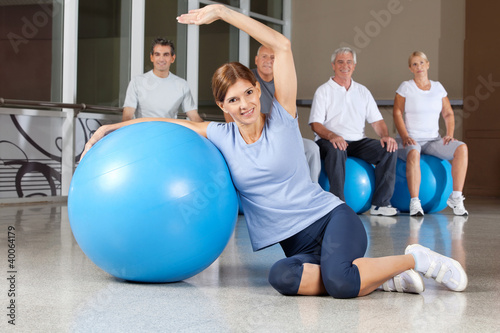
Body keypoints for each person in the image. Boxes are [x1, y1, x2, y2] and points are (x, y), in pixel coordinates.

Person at [82, 4, 467, 298]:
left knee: (339, 282)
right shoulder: (220, 135)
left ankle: (416, 257)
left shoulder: (282, 117)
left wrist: (222, 12)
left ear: (256, 89)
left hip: (332, 221)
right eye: (233, 100)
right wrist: (113, 127)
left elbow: (281, 46)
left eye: (248, 92)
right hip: (297, 245)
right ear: (224, 107)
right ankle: (382, 276)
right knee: (280, 276)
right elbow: (166, 123)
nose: (245, 103)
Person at [309, 47, 399, 216]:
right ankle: (338, 204)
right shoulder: (324, 91)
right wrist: (332, 136)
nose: (345, 65)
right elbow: (315, 124)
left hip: (357, 141)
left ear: (354, 65)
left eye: (349, 62)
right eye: (340, 62)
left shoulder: (362, 91)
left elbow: (377, 121)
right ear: (333, 66)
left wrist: (385, 136)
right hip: (328, 140)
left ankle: (380, 204)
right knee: (337, 148)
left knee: (389, 149)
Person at [223, 44, 321, 183]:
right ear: (256, 60)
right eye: (264, 56)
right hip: (253, 138)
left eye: (272, 57)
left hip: (280, 136)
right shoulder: (245, 80)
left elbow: (292, 119)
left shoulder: (283, 84)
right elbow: (231, 111)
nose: (268, 60)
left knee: (312, 148)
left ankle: (311, 191)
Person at [393, 51, 469, 216]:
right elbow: (397, 113)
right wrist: (405, 136)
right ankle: (415, 202)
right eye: (414, 64)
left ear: (427, 64)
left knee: (462, 148)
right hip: (411, 139)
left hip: (433, 140)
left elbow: (448, 113)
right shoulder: (406, 87)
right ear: (410, 68)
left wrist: (449, 133)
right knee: (413, 154)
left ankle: (456, 197)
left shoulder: (438, 87)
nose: (418, 67)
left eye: (421, 63)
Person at [122, 38, 203, 122]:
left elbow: (194, 117)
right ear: (151, 57)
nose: (161, 59)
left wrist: (208, 132)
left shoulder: (182, 85)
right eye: (157, 54)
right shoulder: (137, 82)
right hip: (144, 133)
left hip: (169, 133)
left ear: (173, 58)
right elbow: (127, 117)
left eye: (166, 55)